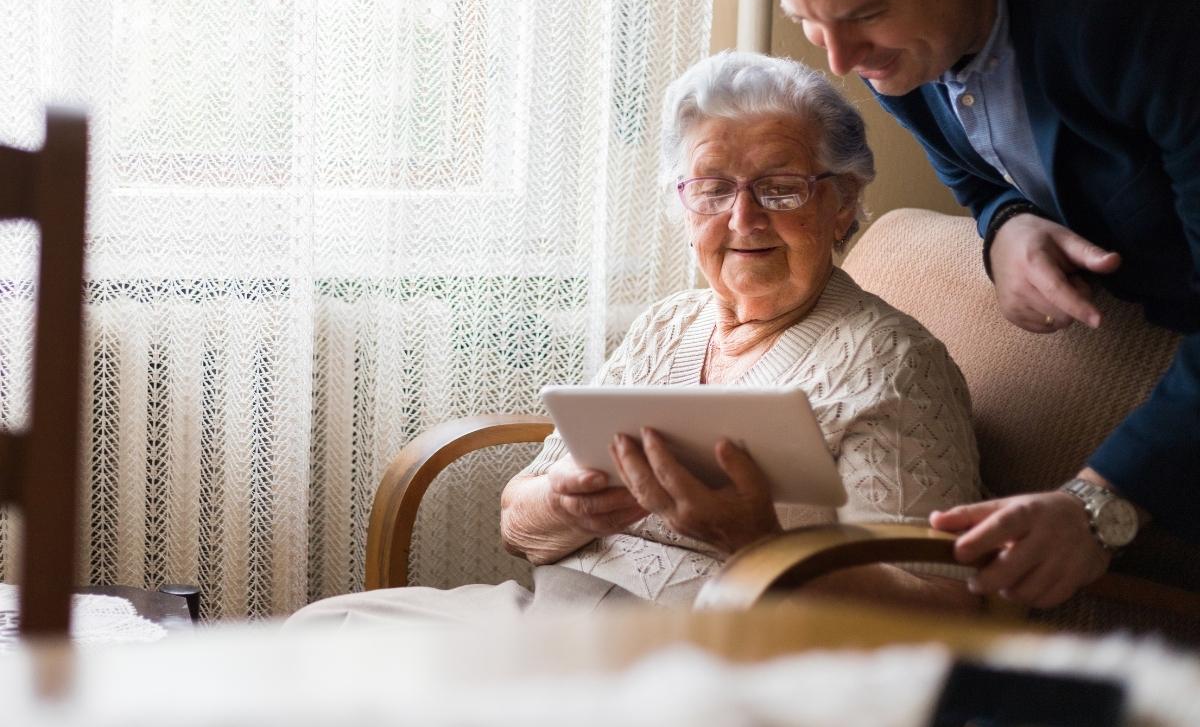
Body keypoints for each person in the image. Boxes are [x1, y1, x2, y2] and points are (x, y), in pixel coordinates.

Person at [287, 52, 982, 628]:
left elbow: (937, 613)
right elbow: (517, 520)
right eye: (712, 188)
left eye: (779, 188)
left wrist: (758, 541)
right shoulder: (668, 325)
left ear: (842, 203)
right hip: (549, 618)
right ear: (683, 205)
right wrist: (566, 502)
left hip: (708, 656)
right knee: (318, 634)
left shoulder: (893, 364)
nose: (743, 217)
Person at [742, 0, 1200, 609]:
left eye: (861, 17)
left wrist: (1097, 504)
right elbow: (971, 167)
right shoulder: (909, 25)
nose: (840, 63)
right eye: (811, 24)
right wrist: (1005, 224)